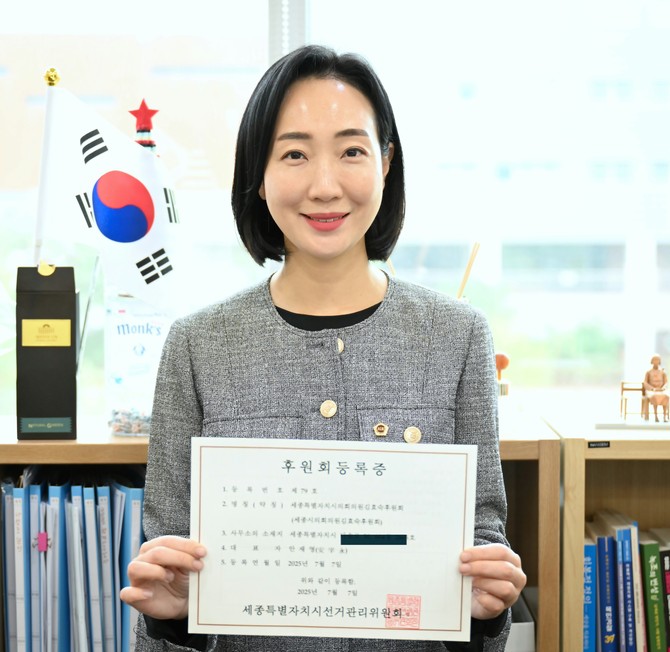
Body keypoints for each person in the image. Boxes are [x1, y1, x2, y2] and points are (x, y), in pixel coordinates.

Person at [120, 44, 526, 652]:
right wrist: (171, 618)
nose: (325, 185)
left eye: (352, 151)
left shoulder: (459, 338)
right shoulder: (197, 347)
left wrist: (486, 611)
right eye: (294, 154)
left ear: (386, 163)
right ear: (258, 176)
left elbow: (481, 564)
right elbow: (168, 580)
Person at [644, 354, 669, 422]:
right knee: (654, 396)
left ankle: (664, 416)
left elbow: (666, 382)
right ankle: (656, 416)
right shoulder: (648, 372)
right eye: (654, 360)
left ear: (659, 361)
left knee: (666, 396)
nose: (656, 361)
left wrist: (663, 388)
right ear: (652, 361)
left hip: (661, 390)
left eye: (657, 360)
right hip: (652, 391)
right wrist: (652, 388)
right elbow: (645, 382)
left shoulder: (662, 372)